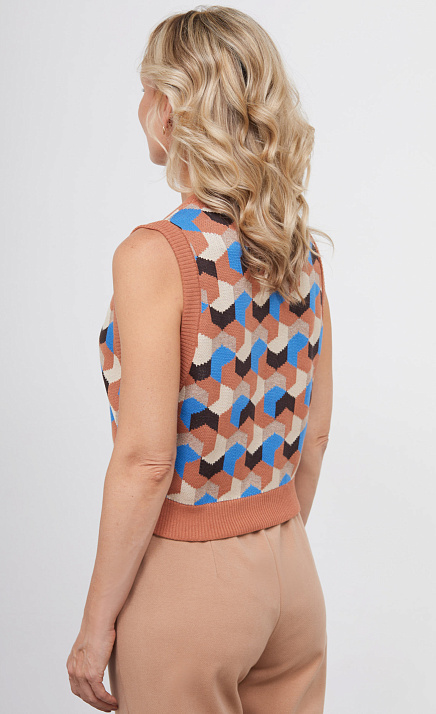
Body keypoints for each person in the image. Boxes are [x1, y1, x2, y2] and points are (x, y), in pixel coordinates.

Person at [66, 6, 334, 713]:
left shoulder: (157, 254)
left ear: (170, 109)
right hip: (291, 573)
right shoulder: (298, 250)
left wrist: (95, 629)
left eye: (146, 89)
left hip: (189, 588)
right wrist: (269, 547)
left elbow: (147, 460)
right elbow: (314, 436)